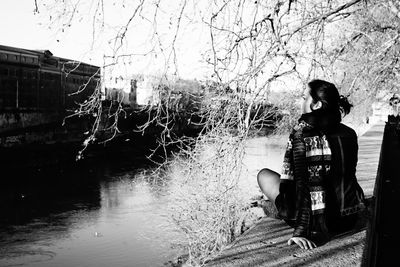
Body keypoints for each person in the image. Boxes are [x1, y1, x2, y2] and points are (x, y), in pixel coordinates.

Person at [257, 79, 366, 250]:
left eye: (303, 97)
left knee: (264, 175)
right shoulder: (349, 133)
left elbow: (305, 184)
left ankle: (275, 208)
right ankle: (273, 206)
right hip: (348, 218)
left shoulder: (302, 133)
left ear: (316, 105)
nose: (299, 102)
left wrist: (301, 231)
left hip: (318, 221)